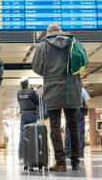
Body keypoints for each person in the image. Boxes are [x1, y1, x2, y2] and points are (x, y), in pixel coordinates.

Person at [32, 24, 83, 172]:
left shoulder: (43, 46)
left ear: (48, 33)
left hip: (53, 89)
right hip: (72, 89)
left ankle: (60, 162)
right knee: (73, 126)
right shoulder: (74, 42)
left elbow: (36, 67)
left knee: (55, 126)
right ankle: (75, 162)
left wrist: (48, 71)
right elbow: (83, 63)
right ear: (60, 31)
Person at [17, 76, 39, 158]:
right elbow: (37, 103)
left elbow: (19, 102)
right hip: (32, 114)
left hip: (23, 114)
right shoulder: (31, 92)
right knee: (33, 134)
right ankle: (33, 153)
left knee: (22, 134)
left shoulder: (19, 93)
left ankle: (21, 154)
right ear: (27, 83)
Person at [65, 88, 90, 158]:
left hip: (70, 111)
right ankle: (79, 152)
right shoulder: (82, 90)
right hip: (79, 111)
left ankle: (68, 152)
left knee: (68, 132)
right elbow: (87, 103)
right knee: (80, 132)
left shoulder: (67, 90)